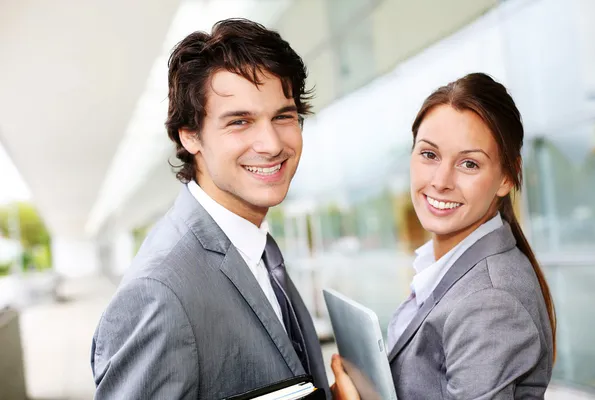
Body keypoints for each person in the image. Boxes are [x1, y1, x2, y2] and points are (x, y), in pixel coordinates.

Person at [91, 18, 330, 399]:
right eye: (240, 121)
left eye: (283, 116)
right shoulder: (158, 294)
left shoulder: (255, 244)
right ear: (190, 135)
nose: (270, 144)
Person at [331, 73, 556, 399]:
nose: (440, 181)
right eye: (429, 155)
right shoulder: (445, 267)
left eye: (468, 163)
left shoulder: (491, 303)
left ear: (507, 177)